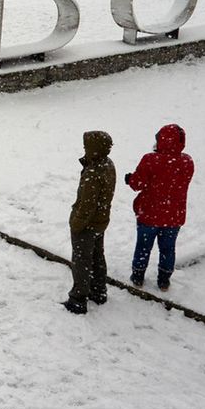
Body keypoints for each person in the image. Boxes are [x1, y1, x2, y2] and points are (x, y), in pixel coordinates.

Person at [126, 124, 195, 291]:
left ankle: (138, 276)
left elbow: (138, 184)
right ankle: (164, 280)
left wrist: (129, 179)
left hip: (149, 214)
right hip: (173, 216)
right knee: (168, 248)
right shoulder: (187, 161)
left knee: (143, 246)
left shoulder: (151, 160)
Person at [63, 130, 116, 314]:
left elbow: (87, 204)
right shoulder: (107, 164)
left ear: (94, 149)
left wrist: (76, 224)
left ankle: (78, 299)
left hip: (87, 224)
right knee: (97, 256)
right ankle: (99, 291)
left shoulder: (94, 172)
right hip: (100, 221)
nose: (84, 149)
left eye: (86, 146)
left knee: (82, 261)